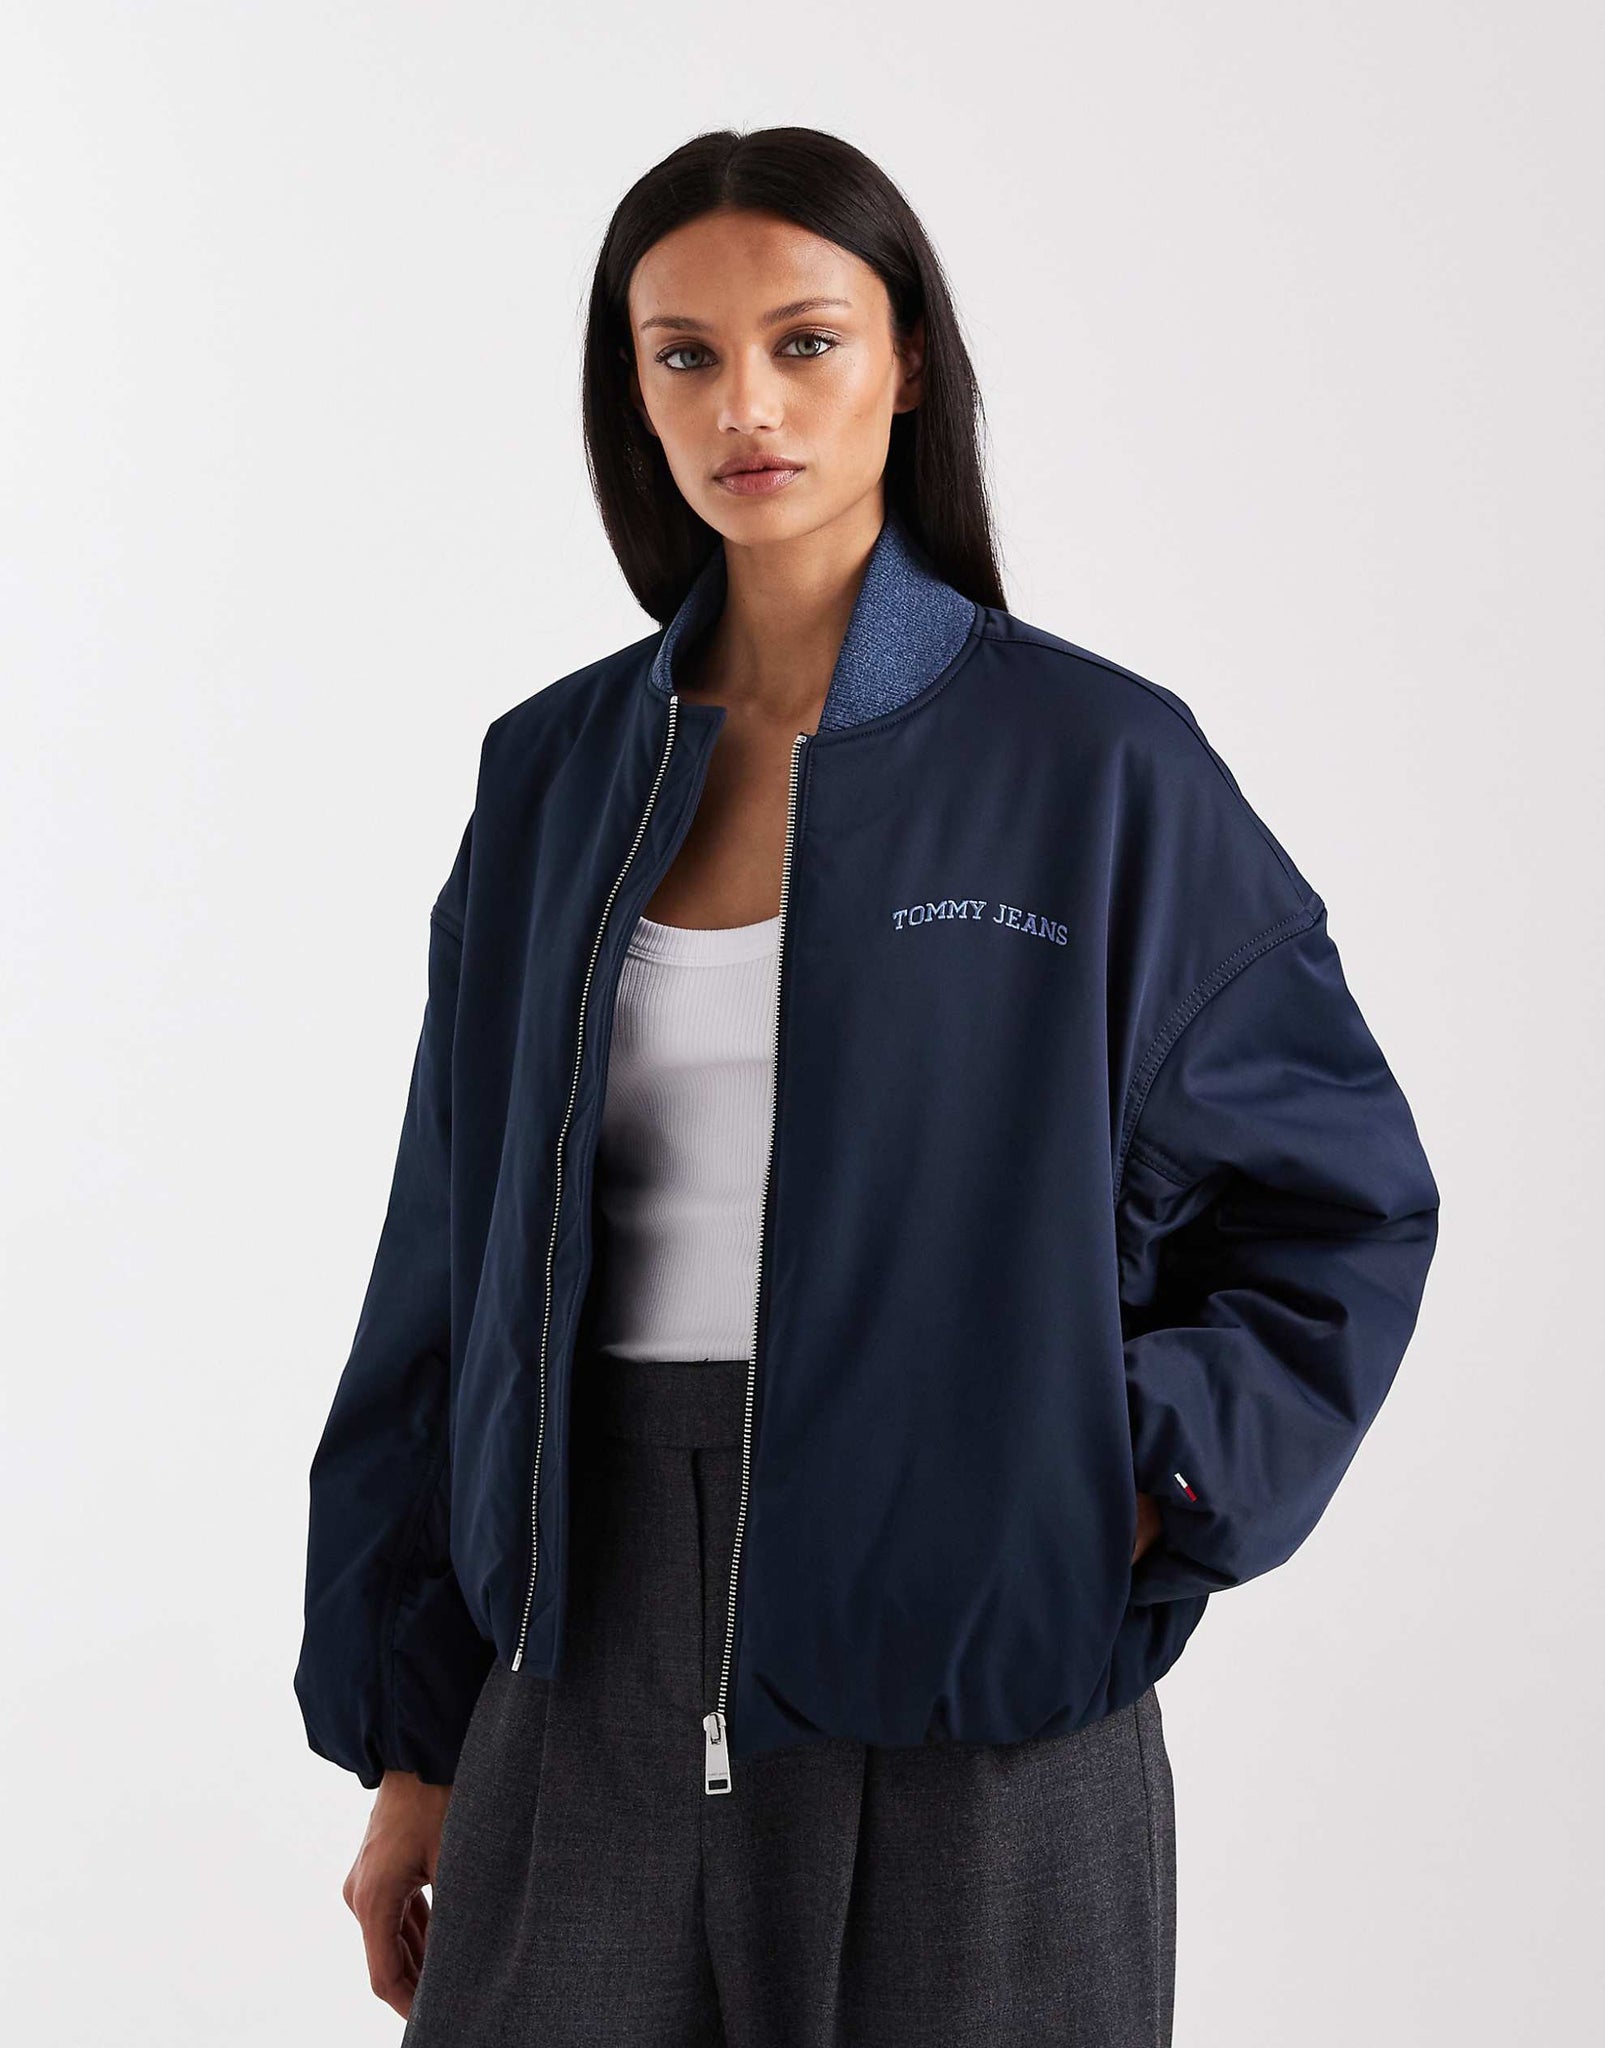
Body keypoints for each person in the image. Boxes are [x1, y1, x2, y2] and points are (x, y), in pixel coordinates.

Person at [293, 125, 1440, 2047]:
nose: (743, 404)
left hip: (974, 1665)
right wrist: (416, 1743)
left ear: (907, 363)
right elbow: (443, 1277)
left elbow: (1338, 1204)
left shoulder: (1095, 766)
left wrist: (1122, 1479)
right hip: (580, 1642)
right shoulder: (553, 776)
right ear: (632, 393)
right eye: (682, 355)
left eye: (804, 341)